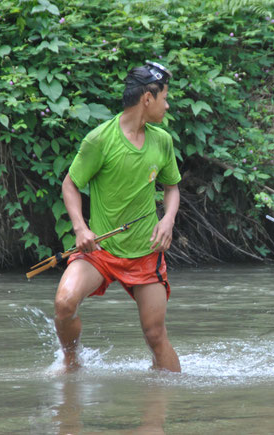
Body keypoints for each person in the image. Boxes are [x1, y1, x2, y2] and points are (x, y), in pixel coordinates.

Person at [54, 61, 181, 373]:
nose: (167, 104)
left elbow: (172, 188)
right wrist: (80, 228)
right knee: (64, 304)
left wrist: (168, 219)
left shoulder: (162, 140)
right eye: (165, 97)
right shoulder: (99, 140)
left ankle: (170, 402)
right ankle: (72, 364)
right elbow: (70, 185)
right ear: (147, 99)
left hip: (146, 253)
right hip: (100, 251)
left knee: (155, 335)